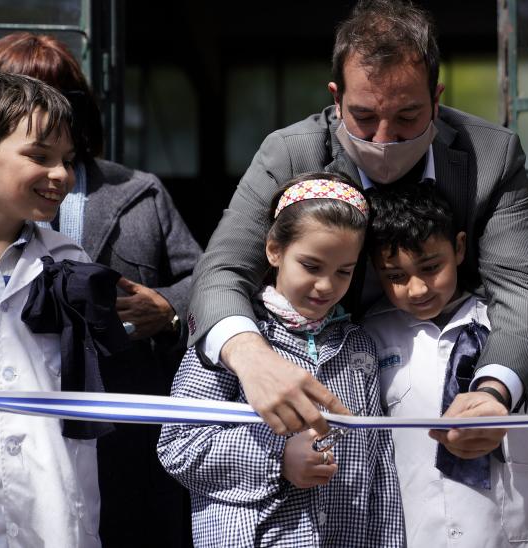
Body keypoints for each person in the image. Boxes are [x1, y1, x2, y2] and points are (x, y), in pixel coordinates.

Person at [188, 0, 528, 459]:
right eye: (363, 117)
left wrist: (494, 391)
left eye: (407, 118)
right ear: (335, 99)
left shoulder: (491, 156)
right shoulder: (287, 154)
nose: (383, 140)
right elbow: (221, 270)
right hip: (306, 406)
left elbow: (519, 287)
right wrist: (250, 356)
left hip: (438, 392)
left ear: (437, 100)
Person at [0, 32, 202, 547]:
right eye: (14, 92)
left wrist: (167, 308)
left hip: (124, 428)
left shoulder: (137, 191)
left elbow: (207, 277)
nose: (39, 108)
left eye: (55, 96)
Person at [362, 183, 528, 548]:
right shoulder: (370, 336)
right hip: (415, 533)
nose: (417, 289)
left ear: (460, 248)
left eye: (431, 267)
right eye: (396, 276)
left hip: (515, 534)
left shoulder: (515, 329)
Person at [158, 172, 404, 547]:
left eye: (344, 272)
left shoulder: (359, 347)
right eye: (311, 266)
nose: (326, 285)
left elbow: (380, 466)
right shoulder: (232, 338)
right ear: (274, 250)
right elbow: (179, 444)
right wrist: (279, 458)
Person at [0, 73, 101, 547]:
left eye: (66, 160)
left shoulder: (70, 262)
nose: (61, 175)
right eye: (39, 157)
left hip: (53, 504)